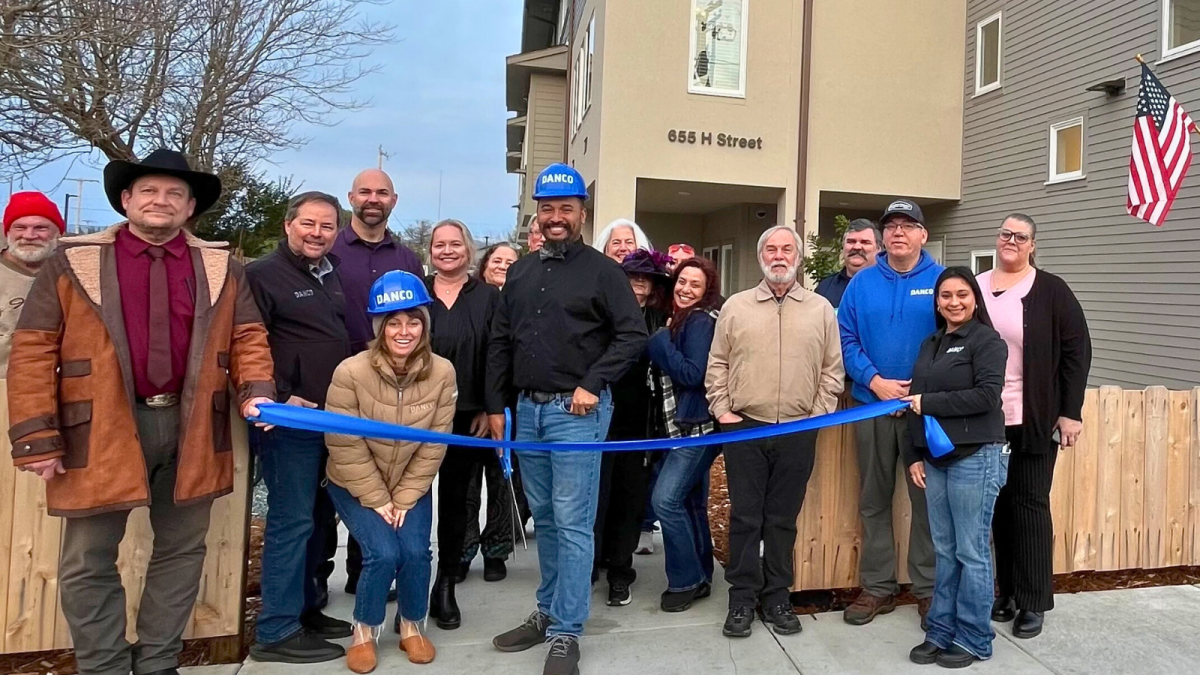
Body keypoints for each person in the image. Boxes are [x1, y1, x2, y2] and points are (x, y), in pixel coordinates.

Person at [7, 149, 275, 675]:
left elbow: (249, 337)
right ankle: (103, 666)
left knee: (180, 553)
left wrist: (257, 391)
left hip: (195, 425)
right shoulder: (73, 261)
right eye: (149, 191)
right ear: (127, 199)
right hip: (99, 427)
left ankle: (158, 662)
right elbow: (33, 348)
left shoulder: (223, 267)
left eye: (175, 193)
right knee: (87, 560)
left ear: (190, 206)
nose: (161, 201)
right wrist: (37, 436)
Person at [488, 163, 648, 675]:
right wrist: (497, 407)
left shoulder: (604, 272)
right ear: (538, 212)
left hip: (576, 413)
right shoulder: (521, 270)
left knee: (574, 522)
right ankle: (548, 609)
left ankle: (565, 632)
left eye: (566, 209)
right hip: (528, 412)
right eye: (548, 208)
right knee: (549, 521)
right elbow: (500, 340)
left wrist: (592, 382)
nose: (556, 218)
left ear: (581, 213)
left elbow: (632, 335)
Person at [706, 225, 844, 638]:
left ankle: (777, 597)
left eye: (787, 249)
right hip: (745, 427)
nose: (779, 255)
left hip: (799, 427)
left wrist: (817, 414)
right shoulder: (736, 306)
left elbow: (831, 369)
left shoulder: (820, 309)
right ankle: (742, 599)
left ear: (798, 258)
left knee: (782, 519)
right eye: (771, 248)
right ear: (760, 256)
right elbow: (718, 363)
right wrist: (722, 409)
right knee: (746, 517)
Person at [324, 270, 456, 672]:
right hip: (354, 482)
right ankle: (363, 630)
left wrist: (403, 496)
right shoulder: (351, 371)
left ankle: (412, 627)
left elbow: (436, 443)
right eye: (393, 322)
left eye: (413, 321)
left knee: (416, 552)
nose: (404, 331)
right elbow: (344, 443)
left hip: (409, 483)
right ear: (379, 327)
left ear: (424, 325)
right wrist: (378, 499)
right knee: (382, 553)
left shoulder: (443, 372)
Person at [246, 192, 354, 663]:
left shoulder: (327, 275)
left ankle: (306, 609)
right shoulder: (261, 276)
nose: (317, 233)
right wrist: (281, 392)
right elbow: (249, 342)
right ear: (289, 224)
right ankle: (276, 628)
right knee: (291, 521)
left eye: (327, 226)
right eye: (308, 223)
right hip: (287, 420)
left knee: (315, 520)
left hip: (325, 419)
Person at [981, 214, 1091, 640]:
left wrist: (1071, 411)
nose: (1011, 241)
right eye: (1005, 234)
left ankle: (1033, 601)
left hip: (1034, 420)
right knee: (997, 510)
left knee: (1028, 507)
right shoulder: (975, 286)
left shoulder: (1051, 291)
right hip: (986, 420)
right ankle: (1005, 592)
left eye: (1020, 236)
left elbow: (1076, 352)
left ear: (1032, 245)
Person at [838, 199, 943, 628]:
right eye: (892, 226)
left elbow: (957, 338)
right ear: (883, 237)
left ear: (923, 235)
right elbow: (843, 339)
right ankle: (878, 587)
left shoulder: (942, 281)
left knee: (928, 503)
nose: (899, 232)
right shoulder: (861, 285)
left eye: (908, 225)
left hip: (925, 412)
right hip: (873, 406)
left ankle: (929, 589)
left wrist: (923, 389)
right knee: (874, 500)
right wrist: (874, 379)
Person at [903, 267, 1009, 668]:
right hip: (936, 459)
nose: (954, 302)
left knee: (972, 552)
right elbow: (914, 398)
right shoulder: (931, 343)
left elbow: (986, 396)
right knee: (944, 551)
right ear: (937, 302)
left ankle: (975, 637)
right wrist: (914, 454)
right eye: (945, 296)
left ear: (975, 299)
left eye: (962, 294)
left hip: (976, 455)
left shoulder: (986, 342)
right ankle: (941, 630)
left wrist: (929, 404)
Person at [328, 168, 424, 597]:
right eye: (365, 191)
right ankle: (313, 592)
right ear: (351, 197)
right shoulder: (328, 248)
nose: (373, 198)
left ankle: (366, 576)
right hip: (332, 384)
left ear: (394, 200)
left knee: (381, 477)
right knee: (328, 495)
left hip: (389, 390)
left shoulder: (406, 259)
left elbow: (416, 322)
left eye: (381, 192)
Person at [422, 219, 511, 630]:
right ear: (430, 251)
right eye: (439, 244)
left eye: (454, 244)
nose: (446, 250)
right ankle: (411, 581)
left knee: (457, 503)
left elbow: (497, 355)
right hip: (416, 418)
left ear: (469, 249)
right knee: (414, 500)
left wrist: (488, 408)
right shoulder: (415, 292)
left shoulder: (489, 297)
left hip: (467, 416)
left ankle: (446, 585)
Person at [592, 248, 671, 607]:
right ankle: (591, 564)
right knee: (596, 498)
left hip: (640, 422)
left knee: (630, 499)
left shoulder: (659, 320)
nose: (638, 285)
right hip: (598, 419)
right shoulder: (601, 318)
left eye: (645, 279)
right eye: (632, 278)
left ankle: (620, 571)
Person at [646, 256, 723, 613]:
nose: (685, 289)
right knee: (690, 503)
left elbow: (694, 374)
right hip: (678, 429)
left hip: (695, 430)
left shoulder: (700, 322)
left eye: (695, 284)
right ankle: (702, 575)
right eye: (681, 281)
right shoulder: (679, 320)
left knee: (665, 501)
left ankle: (685, 579)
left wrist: (660, 343)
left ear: (707, 292)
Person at [464, 240, 531, 575]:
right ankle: (463, 551)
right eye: (497, 260)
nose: (503, 265)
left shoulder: (525, 303)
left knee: (504, 482)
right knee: (467, 485)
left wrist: (500, 405)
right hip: (472, 406)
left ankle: (497, 551)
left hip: (512, 404)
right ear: (485, 265)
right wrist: (482, 406)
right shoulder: (471, 299)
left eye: (510, 261)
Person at [0, 191, 64, 376]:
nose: (29, 235)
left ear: (59, 233)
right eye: (20, 227)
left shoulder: (74, 277)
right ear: (8, 232)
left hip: (51, 389)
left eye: (41, 228)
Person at [815, 218, 881, 309]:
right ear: (843, 247)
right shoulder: (825, 288)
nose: (857, 247)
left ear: (878, 249)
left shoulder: (889, 287)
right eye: (851, 242)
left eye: (865, 242)